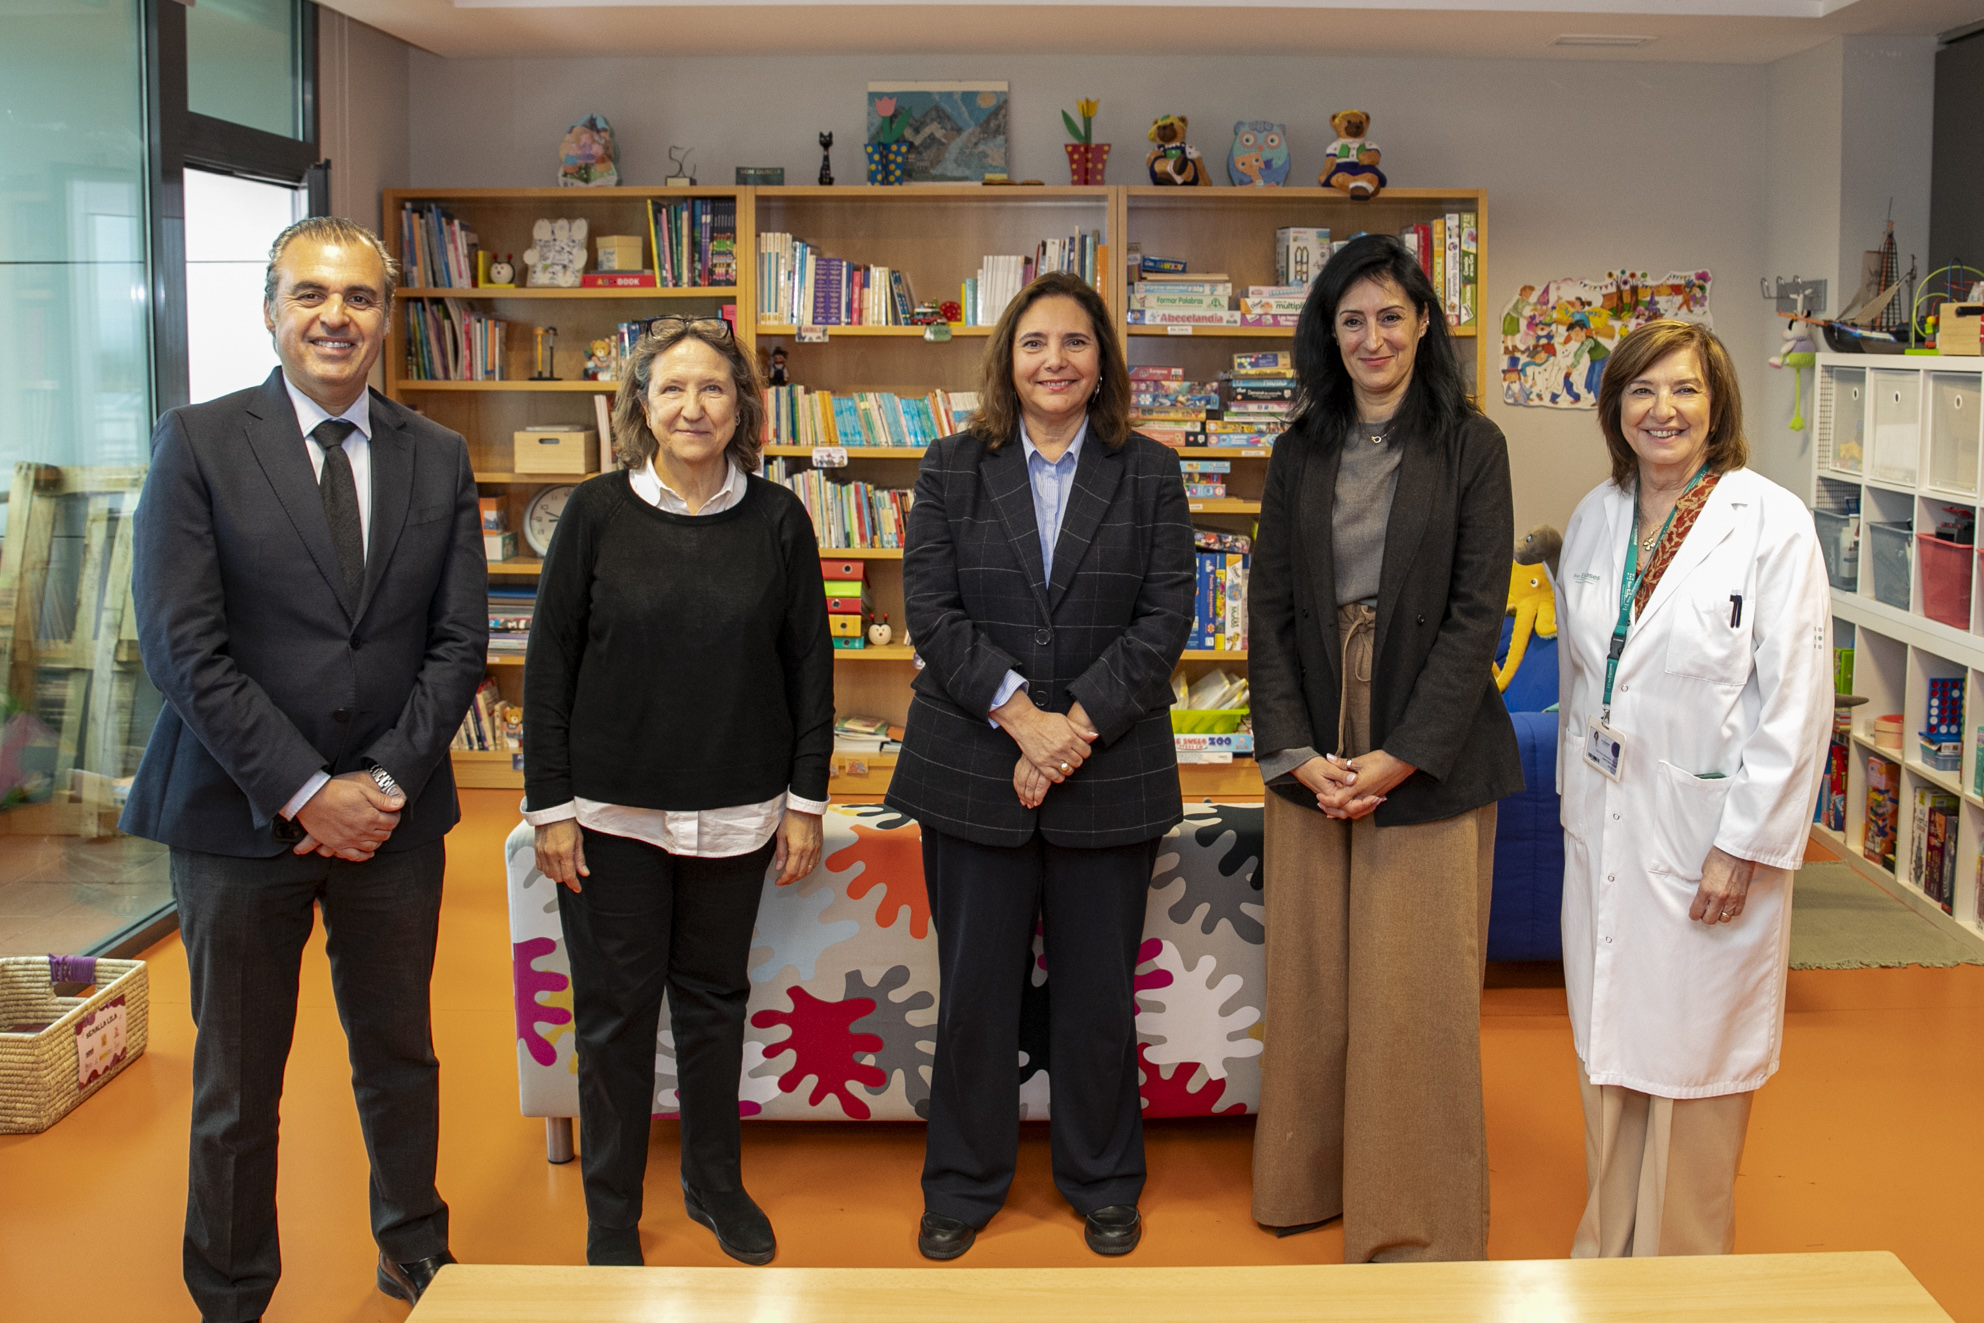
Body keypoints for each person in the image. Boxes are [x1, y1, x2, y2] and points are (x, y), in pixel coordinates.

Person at [122, 216, 486, 1318]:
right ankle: (231, 1288)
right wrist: (303, 790)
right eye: (313, 295)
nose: (338, 318)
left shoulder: (437, 453)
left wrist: (378, 787)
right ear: (271, 309)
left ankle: (413, 1247)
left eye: (362, 298)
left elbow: (458, 641)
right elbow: (185, 646)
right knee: (238, 1082)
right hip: (238, 823)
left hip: (393, 822)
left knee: (400, 1054)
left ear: (389, 315)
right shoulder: (199, 441)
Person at [886, 271, 1194, 1261]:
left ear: (1102, 360)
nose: (1053, 361)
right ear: (1005, 361)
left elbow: (1164, 618)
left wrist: (1072, 731)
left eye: (1073, 342)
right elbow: (929, 612)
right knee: (972, 988)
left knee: (1099, 992)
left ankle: (1103, 1180)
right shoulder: (949, 466)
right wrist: (1023, 721)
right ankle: (963, 1185)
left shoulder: (1147, 470)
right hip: (972, 760)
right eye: (1033, 344)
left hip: (1109, 769)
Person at [523, 317, 834, 1268]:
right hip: (611, 816)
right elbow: (549, 664)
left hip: (738, 809)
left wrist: (807, 800)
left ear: (741, 404)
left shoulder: (780, 517)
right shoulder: (595, 512)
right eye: (671, 390)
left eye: (712, 389)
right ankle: (611, 1209)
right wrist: (551, 805)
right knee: (613, 1016)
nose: (693, 406)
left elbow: (809, 666)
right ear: (641, 408)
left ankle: (713, 1182)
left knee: (711, 1004)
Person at [1249, 232, 1522, 1261]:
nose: (1372, 337)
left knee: (1415, 991)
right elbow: (1267, 610)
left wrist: (1402, 754)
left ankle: (1414, 1221)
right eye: (1351, 319)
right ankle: (1306, 1184)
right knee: (1313, 983)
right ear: (1329, 332)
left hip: (1429, 742)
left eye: (1390, 317)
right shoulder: (1299, 448)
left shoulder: (1471, 445)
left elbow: (1475, 616)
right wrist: (1291, 749)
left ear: (1421, 327)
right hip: (1314, 739)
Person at [1554, 319, 1831, 1257]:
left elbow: (1796, 702)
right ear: (1615, 407)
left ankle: (1683, 1280)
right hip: (1607, 821)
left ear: (1718, 406)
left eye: (1683, 390)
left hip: (1711, 834)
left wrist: (1743, 845)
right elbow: (1583, 679)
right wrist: (1573, 808)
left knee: (1696, 1063)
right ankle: (1609, 1248)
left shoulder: (1770, 522)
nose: (1661, 410)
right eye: (1640, 390)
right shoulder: (1598, 514)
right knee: (1612, 1050)